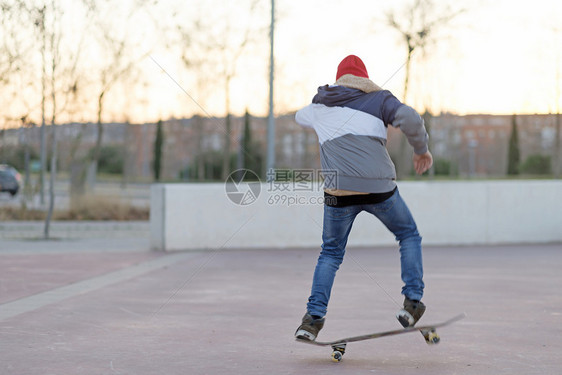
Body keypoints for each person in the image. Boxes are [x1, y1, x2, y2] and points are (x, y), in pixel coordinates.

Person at [294, 55, 433, 341]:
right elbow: (410, 118)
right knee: (408, 234)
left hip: (338, 191)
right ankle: (412, 303)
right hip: (378, 188)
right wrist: (421, 150)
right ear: (364, 79)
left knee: (330, 254)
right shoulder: (379, 100)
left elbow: (299, 116)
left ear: (339, 79)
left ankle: (311, 321)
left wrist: (323, 109)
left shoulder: (320, 105)